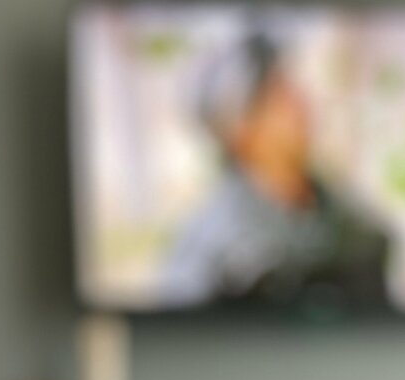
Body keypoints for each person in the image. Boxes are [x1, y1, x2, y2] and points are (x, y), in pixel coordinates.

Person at [162, 31, 390, 310]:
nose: (299, 102)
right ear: (239, 129)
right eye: (277, 94)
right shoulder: (208, 253)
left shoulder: (355, 227)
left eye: (292, 86)